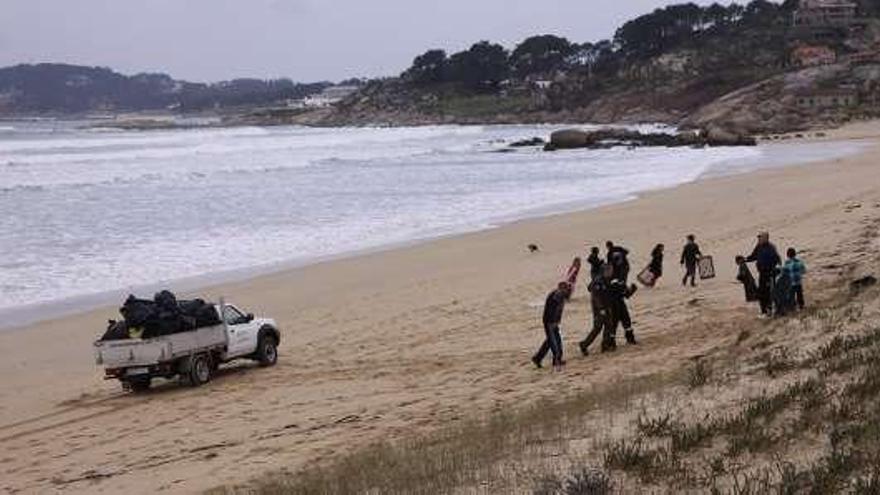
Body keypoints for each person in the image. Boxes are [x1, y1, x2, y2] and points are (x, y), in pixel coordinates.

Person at [533, 281, 572, 371]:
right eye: (566, 289)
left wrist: (557, 321)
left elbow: (559, 310)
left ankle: (538, 358)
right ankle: (556, 359)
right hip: (549, 322)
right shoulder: (556, 296)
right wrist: (552, 322)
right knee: (554, 342)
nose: (567, 291)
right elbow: (550, 311)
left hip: (554, 322)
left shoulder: (561, 296)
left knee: (551, 340)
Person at [579, 263, 615, 355]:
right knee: (597, 328)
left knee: (609, 325)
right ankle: (584, 344)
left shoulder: (606, 280)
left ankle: (605, 345)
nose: (611, 272)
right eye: (609, 270)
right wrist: (601, 309)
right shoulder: (598, 281)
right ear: (605, 271)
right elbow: (596, 297)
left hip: (607, 307)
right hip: (600, 309)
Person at [745, 232, 782, 316]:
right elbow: (753, 256)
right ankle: (763, 310)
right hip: (762, 273)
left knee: (769, 292)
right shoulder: (758, 247)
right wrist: (745, 259)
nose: (759, 239)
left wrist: (778, 266)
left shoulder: (771, 247)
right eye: (758, 238)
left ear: (765, 238)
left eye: (760, 238)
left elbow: (777, 258)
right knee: (761, 292)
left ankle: (770, 309)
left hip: (770, 273)